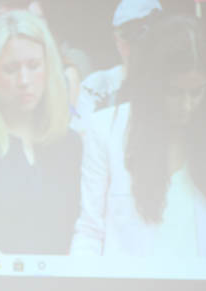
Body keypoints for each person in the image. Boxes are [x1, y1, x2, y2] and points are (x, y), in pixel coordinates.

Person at [71, 15, 206, 258]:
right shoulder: (106, 129)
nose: (187, 105)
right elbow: (90, 230)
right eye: (175, 92)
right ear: (153, 86)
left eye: (196, 93)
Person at [0, 10, 82, 254]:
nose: (24, 80)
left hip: (66, 283)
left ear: (49, 68)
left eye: (34, 66)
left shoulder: (70, 143)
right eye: (11, 69)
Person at [71, 0, 162, 134]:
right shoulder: (96, 85)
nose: (136, 44)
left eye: (143, 34)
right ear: (116, 40)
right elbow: (80, 132)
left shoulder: (173, 85)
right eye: (127, 35)